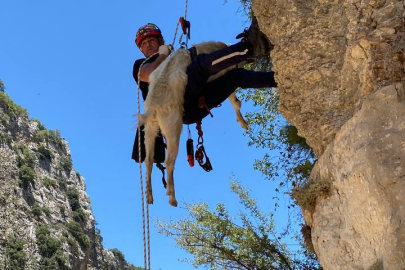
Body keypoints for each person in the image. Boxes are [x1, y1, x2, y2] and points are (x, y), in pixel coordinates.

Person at [131, 20, 277, 163]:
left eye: (151, 41)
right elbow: (150, 74)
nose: (148, 45)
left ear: (160, 41)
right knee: (200, 65)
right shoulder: (141, 65)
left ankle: (277, 79)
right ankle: (249, 46)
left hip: (192, 103)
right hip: (178, 104)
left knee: (235, 77)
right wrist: (163, 54)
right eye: (143, 44)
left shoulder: (173, 59)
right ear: (141, 50)